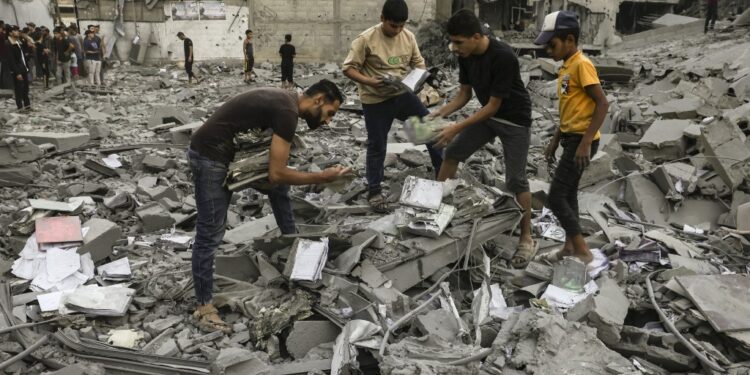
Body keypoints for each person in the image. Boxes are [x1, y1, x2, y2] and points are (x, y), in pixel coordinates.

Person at [187, 79, 351, 332]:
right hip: (210, 156)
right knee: (210, 232)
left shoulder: (287, 103)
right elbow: (277, 173)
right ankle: (204, 307)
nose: (329, 120)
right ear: (318, 100)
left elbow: (276, 176)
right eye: (330, 113)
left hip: (231, 152)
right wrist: (322, 177)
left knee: (279, 190)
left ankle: (291, 245)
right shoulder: (287, 112)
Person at [429, 10, 536, 267]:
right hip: (488, 116)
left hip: (514, 120)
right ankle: (436, 213)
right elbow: (465, 94)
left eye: (458, 42)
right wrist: (440, 113)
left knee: (516, 180)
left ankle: (527, 237)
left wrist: (455, 127)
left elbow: (493, 106)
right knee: (452, 153)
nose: (453, 48)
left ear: (476, 37)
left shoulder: (503, 56)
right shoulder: (466, 55)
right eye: (451, 41)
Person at [342, 0, 443, 212]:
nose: (397, 30)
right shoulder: (366, 39)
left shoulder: (408, 37)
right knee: (377, 145)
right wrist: (370, 81)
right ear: (382, 19)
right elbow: (349, 68)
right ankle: (375, 190)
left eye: (401, 26)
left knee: (430, 132)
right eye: (393, 26)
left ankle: (442, 178)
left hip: (403, 96)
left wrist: (416, 80)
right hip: (376, 100)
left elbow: (419, 64)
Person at [534, 11, 609, 265]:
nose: (547, 50)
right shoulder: (566, 67)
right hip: (570, 138)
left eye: (551, 44)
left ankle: (583, 252)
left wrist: (587, 142)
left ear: (569, 39)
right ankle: (569, 247)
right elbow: (571, 109)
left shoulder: (581, 64)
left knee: (555, 197)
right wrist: (555, 140)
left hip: (581, 141)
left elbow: (602, 104)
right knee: (569, 194)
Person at [7, 25, 31, 110]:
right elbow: (11, 60)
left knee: (26, 89)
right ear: (10, 33)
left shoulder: (19, 42)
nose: (18, 32)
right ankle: (20, 108)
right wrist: (17, 73)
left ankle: (27, 106)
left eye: (18, 30)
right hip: (17, 71)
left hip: (23, 68)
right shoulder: (8, 44)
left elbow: (23, 56)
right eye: (15, 30)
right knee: (19, 90)